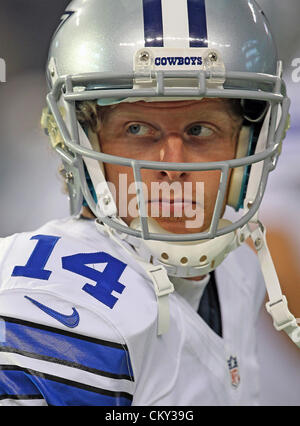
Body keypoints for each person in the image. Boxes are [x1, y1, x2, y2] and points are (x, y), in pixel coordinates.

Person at [0, 0, 299, 406]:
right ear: (84, 144)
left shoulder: (237, 271)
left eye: (200, 129)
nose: (172, 166)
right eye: (137, 128)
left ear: (249, 143)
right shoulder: (59, 301)